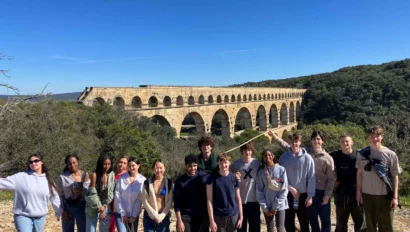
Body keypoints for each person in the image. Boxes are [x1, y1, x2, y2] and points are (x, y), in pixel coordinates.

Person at [0, 153, 62, 232]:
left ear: (41, 162)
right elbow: (3, 182)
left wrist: (59, 212)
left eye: (36, 161)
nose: (33, 163)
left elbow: (54, 197)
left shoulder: (47, 179)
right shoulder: (20, 177)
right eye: (31, 162)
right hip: (23, 216)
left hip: (40, 217)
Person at [356, 126, 402, 232]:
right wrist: (358, 192)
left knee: (386, 227)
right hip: (367, 195)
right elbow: (359, 173)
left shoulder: (391, 154)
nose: (374, 139)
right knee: (369, 227)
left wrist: (395, 197)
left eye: (377, 136)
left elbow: (395, 176)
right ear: (368, 137)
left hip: (385, 196)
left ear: (382, 137)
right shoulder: (362, 153)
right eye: (372, 136)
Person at [269, 131, 315, 232]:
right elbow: (279, 178)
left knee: (304, 222)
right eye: (293, 141)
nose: (295, 144)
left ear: (300, 142)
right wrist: (289, 187)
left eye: (297, 141)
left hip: (303, 195)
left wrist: (310, 195)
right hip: (287, 194)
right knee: (288, 222)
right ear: (289, 142)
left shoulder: (308, 158)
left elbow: (311, 177)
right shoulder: (284, 158)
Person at [330, 135, 365, 232]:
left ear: (352, 142)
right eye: (342, 142)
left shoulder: (359, 155)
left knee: (360, 222)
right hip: (341, 193)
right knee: (341, 224)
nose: (345, 143)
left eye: (347, 141)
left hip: (356, 193)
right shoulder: (334, 155)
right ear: (339, 143)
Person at [206, 153, 243, 232]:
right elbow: (209, 200)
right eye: (221, 163)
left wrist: (241, 217)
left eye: (225, 162)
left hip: (233, 215)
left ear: (229, 162)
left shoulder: (234, 177)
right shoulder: (212, 178)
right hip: (218, 216)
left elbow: (238, 198)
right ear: (218, 164)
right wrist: (212, 221)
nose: (223, 165)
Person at [174, 154, 209, 232]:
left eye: (195, 166)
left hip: (201, 216)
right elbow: (177, 203)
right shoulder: (180, 181)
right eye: (190, 166)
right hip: (185, 216)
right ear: (185, 166)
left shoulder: (203, 177)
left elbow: (218, 177)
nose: (192, 168)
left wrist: (234, 175)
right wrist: (179, 221)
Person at [256, 149, 288, 232]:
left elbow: (284, 189)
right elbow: (259, 192)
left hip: (280, 205)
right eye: (265, 155)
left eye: (269, 155)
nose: (267, 157)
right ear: (263, 158)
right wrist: (265, 208)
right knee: (270, 229)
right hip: (267, 205)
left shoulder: (281, 170)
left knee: (280, 228)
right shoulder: (261, 173)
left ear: (273, 156)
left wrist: (275, 206)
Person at [231, 142, 261, 232]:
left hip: (254, 201)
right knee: (241, 228)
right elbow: (230, 178)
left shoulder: (257, 163)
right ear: (242, 151)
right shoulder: (236, 164)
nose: (247, 152)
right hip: (240, 201)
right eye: (245, 150)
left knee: (255, 228)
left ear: (252, 151)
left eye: (249, 150)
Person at [58, 154, 90, 232]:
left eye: (74, 162)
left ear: (78, 162)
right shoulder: (63, 177)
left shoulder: (85, 175)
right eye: (69, 163)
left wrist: (85, 182)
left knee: (83, 230)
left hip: (82, 208)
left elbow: (88, 194)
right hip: (68, 208)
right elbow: (60, 195)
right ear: (67, 164)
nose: (72, 165)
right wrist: (62, 211)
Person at [114, 157, 146, 232]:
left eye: (133, 166)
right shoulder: (121, 178)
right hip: (120, 213)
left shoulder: (143, 180)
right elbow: (117, 196)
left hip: (133, 214)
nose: (131, 168)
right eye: (129, 166)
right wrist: (123, 213)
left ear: (138, 165)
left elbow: (140, 199)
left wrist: (134, 215)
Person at [85, 153, 115, 232]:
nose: (107, 166)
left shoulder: (111, 175)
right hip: (93, 206)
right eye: (105, 164)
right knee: (91, 229)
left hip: (105, 206)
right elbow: (92, 193)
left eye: (109, 164)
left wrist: (104, 206)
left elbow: (111, 192)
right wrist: (100, 207)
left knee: (104, 229)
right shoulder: (94, 175)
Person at [142, 159, 173, 232]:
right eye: (156, 168)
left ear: (164, 168)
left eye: (161, 168)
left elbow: (170, 201)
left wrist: (161, 216)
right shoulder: (147, 183)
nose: (158, 170)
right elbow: (145, 201)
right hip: (149, 216)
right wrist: (155, 216)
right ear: (153, 169)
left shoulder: (169, 183)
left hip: (164, 216)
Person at [109, 154, 129, 232]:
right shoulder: (112, 174)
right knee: (110, 229)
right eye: (120, 162)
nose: (122, 164)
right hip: (110, 206)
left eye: (125, 163)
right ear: (117, 162)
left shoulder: (127, 176)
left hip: (122, 207)